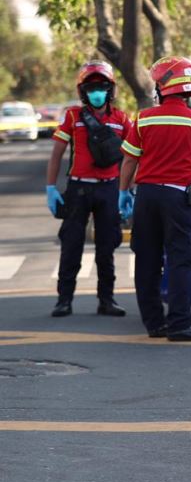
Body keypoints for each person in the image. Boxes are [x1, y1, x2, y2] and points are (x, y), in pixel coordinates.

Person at [119, 56, 191, 341]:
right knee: (180, 259)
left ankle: (154, 324)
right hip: (178, 198)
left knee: (147, 259)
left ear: (162, 87)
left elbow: (129, 161)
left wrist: (123, 192)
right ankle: (178, 325)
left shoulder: (143, 118)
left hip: (147, 196)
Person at [46, 60, 131, 318]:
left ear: (110, 89)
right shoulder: (72, 116)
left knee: (107, 247)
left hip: (109, 190)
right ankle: (64, 300)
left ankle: (107, 300)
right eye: (91, 87)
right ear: (83, 91)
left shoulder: (121, 119)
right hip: (79, 189)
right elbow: (57, 153)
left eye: (102, 86)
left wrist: (130, 190)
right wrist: (51, 186)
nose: (97, 92)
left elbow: (133, 156)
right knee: (71, 245)